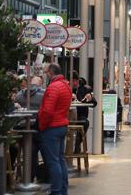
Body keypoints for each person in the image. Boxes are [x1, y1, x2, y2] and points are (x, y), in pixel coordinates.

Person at [38, 63, 72, 195]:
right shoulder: (65, 86)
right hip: (61, 125)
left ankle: (56, 191)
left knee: (53, 162)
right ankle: (63, 190)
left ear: (51, 73)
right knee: (60, 160)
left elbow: (47, 111)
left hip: (52, 127)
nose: (45, 75)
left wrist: (42, 125)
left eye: (46, 72)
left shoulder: (53, 87)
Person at [71, 75, 97, 151]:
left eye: (72, 81)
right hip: (69, 115)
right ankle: (72, 147)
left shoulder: (86, 89)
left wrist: (90, 98)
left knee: (85, 123)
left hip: (81, 115)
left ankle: (77, 144)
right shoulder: (67, 88)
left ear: (76, 81)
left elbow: (94, 103)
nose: (71, 83)